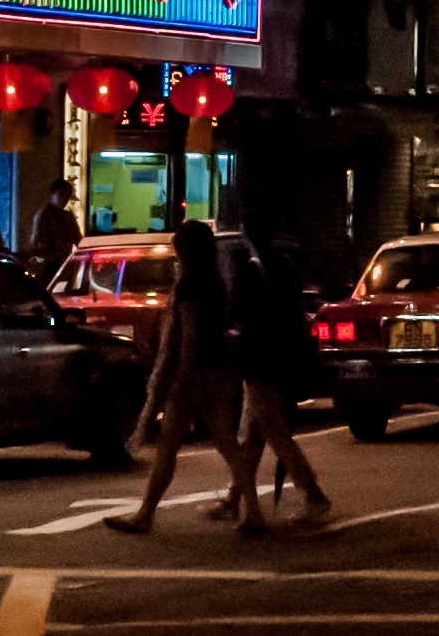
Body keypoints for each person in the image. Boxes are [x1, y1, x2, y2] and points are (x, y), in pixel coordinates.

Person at [103, 221, 259, 535]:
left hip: (195, 373)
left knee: (168, 445)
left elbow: (189, 336)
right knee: (227, 442)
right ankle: (253, 511)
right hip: (220, 368)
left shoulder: (188, 285)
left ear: (184, 252)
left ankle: (145, 514)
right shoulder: (216, 281)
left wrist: (182, 377)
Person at [210, 238, 331, 525]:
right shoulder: (284, 265)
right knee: (253, 434)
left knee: (273, 431)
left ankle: (313, 494)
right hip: (275, 359)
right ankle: (234, 499)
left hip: (257, 361)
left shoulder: (250, 272)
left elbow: (237, 314)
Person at [29, 180, 83, 278]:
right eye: (61, 194)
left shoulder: (68, 217)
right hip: (47, 265)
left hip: (64, 264)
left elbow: (78, 240)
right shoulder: (44, 215)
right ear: (53, 194)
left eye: (67, 196)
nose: (64, 199)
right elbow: (35, 241)